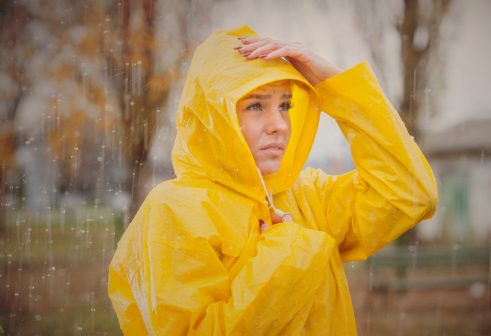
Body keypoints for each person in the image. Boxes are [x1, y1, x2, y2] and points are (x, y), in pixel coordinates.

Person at [108, 25, 438, 335]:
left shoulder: (306, 194)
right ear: (213, 117)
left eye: (285, 105)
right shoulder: (173, 210)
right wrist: (286, 255)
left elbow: (408, 194)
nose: (279, 124)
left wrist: (339, 88)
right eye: (255, 105)